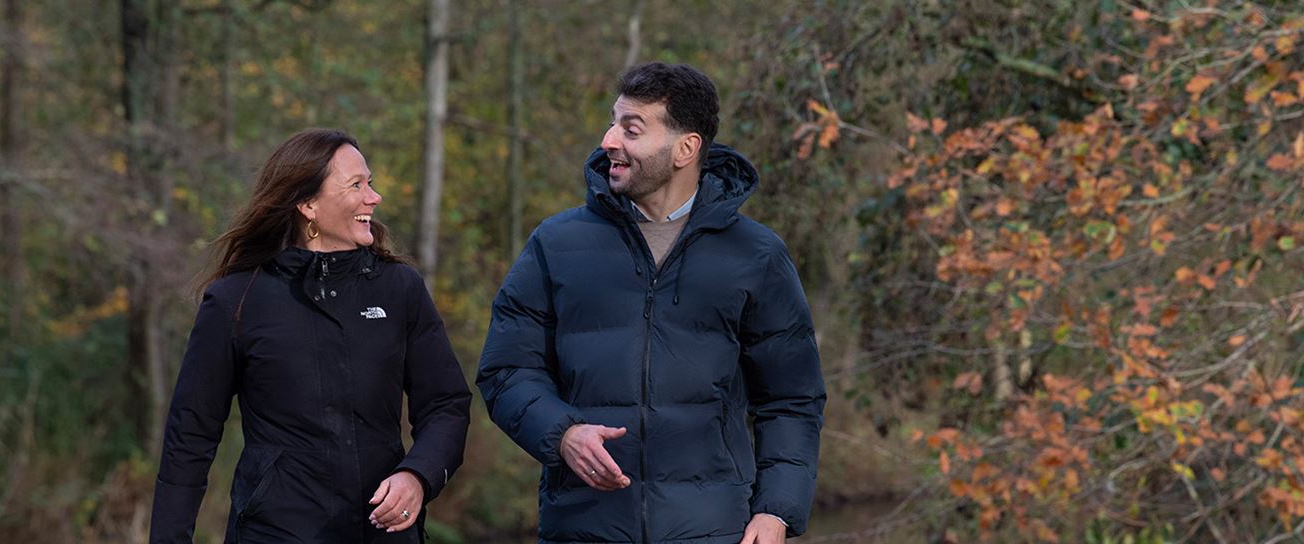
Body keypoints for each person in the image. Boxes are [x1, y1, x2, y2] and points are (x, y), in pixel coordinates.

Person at [477, 62, 826, 544]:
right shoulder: (555, 244)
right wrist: (562, 433)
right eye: (613, 122)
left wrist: (775, 511)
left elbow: (792, 399)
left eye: (631, 128)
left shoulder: (756, 255)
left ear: (686, 148)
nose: (609, 141)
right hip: (583, 529)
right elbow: (506, 370)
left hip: (716, 530)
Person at [149, 128, 471, 543]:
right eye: (357, 185)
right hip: (276, 532)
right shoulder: (236, 300)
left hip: (383, 533)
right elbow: (188, 438)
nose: (374, 197)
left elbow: (447, 404)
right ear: (307, 205)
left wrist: (418, 475)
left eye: (370, 182)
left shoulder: (399, 288)